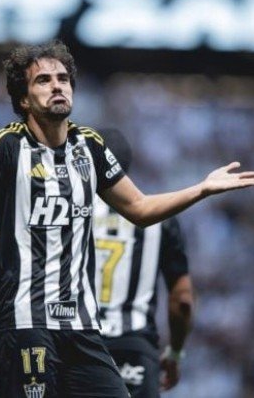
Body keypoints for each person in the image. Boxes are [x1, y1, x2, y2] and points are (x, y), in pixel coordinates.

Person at [0, 39, 254, 398]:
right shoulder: (5, 146)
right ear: (23, 99)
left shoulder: (89, 145)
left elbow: (139, 208)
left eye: (63, 78)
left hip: (83, 328)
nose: (57, 86)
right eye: (43, 80)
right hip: (27, 323)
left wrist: (202, 188)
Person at [93, 128, 193, 398]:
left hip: (78, 346)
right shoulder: (161, 219)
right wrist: (175, 352)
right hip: (134, 348)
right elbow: (182, 299)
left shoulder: (67, 212)